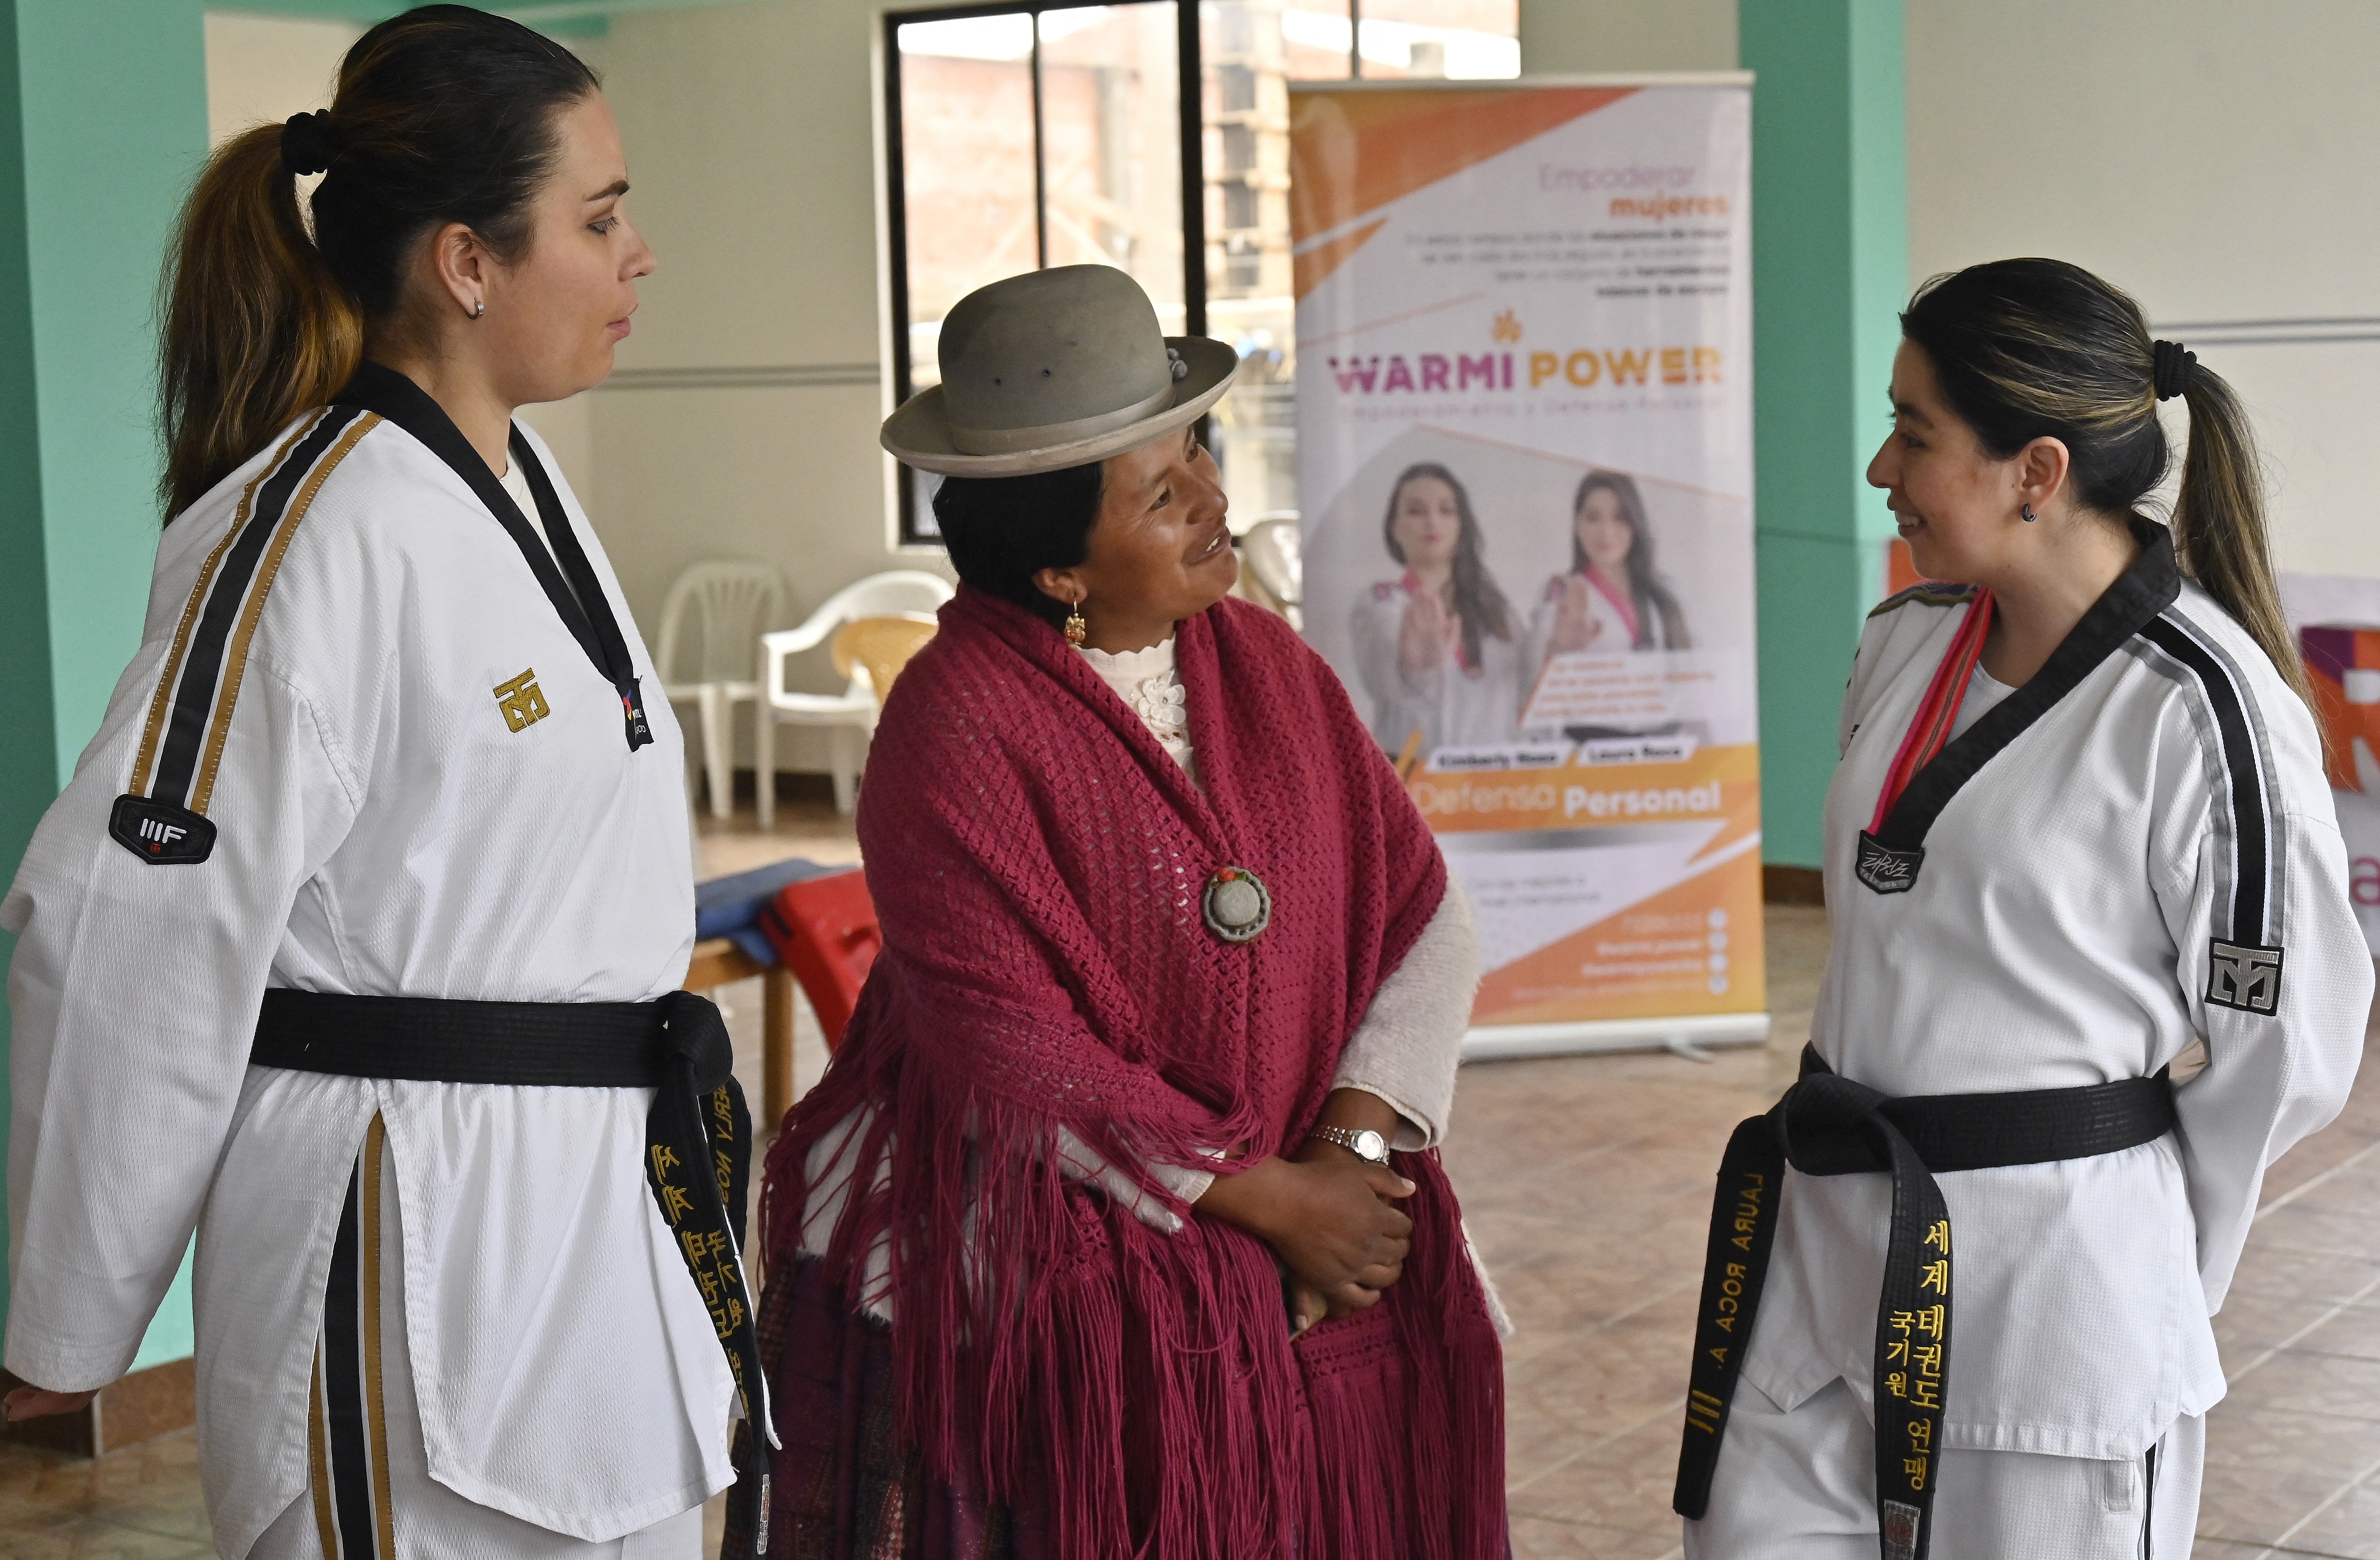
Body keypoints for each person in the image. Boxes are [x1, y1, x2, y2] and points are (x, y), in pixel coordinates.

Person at [1, 9, 761, 1557]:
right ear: (466, 261)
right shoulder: (299, 536)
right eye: (600, 218)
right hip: (409, 1231)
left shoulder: (518, 483)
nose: (639, 255)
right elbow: (136, 928)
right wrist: (60, 1325)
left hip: (586, 1211)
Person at [734, 264, 1507, 1559]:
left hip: (1306, 1180)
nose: (1216, 498)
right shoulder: (954, 722)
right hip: (1041, 1236)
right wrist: (1259, 1197)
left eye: (1196, 448)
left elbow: (1422, 916)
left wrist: (1352, 1159)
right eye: (1161, 492)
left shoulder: (1268, 664)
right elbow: (1007, 1049)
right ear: (1056, 568)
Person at [1673, 258, 2369, 1558]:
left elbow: (2292, 1053)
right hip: (1823, 1261)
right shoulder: (1905, 640)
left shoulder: (2203, 711)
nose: (1880, 467)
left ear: (2034, 471)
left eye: (1913, 432)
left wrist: (2140, 1240)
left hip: (2053, 1301)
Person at [1348, 462, 1523, 755]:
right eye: (1416, 511)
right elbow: (1383, 676)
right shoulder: (1381, 604)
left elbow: (1526, 689)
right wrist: (1416, 667)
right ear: (1394, 527)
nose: (1432, 521)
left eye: (1446, 510)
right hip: (1416, 780)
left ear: (1461, 525)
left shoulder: (1496, 609)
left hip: (1496, 784)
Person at [1524, 470, 1691, 682]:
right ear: (1577, 525)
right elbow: (1531, 688)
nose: (1606, 532)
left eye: (1620, 518)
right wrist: (1558, 651)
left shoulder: (1666, 590)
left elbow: (1692, 679)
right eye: (1594, 519)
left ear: (1635, 523)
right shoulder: (1560, 593)